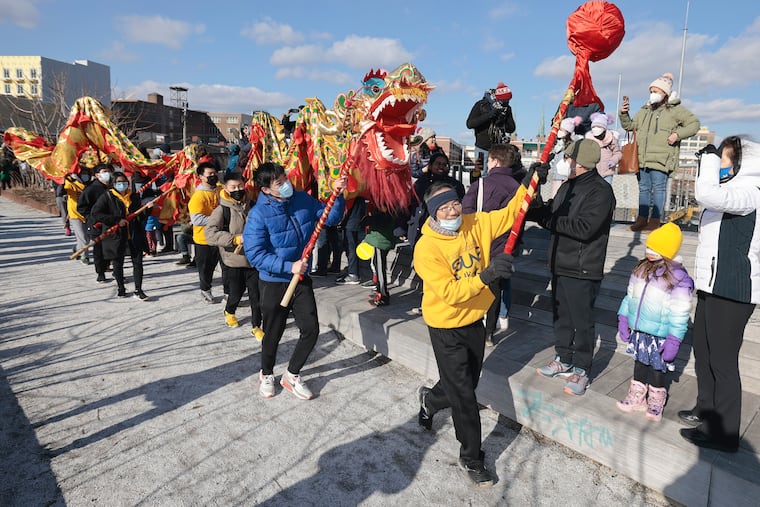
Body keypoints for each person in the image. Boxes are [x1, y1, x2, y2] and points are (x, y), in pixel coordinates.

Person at [413, 162, 543, 487]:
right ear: (433, 213)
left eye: (455, 202)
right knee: (466, 398)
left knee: (465, 385)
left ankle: (430, 400)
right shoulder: (426, 248)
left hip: (476, 320)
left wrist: (530, 181)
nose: (452, 210)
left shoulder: (475, 223)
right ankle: (471, 456)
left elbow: (513, 212)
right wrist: (487, 275)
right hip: (445, 326)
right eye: (443, 207)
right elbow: (450, 293)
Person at [679, 137, 760, 453]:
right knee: (703, 350)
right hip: (712, 285)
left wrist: (709, 160)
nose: (720, 166)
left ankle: (724, 433)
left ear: (742, 164)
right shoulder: (731, 193)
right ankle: (706, 410)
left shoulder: (750, 192)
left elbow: (707, 192)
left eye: (725, 161)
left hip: (734, 288)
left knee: (723, 361)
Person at [243, 162, 346, 400]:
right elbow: (255, 254)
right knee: (273, 333)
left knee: (311, 330)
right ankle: (266, 373)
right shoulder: (259, 214)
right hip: (274, 281)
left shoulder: (301, 199)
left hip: (300, 279)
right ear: (266, 189)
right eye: (279, 183)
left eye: (285, 178)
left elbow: (329, 219)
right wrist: (289, 266)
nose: (286, 184)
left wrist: (337, 195)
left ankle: (292, 374)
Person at [534, 139, 616, 396]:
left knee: (582, 321)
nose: (565, 161)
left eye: (569, 158)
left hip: (582, 266)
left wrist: (550, 220)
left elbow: (585, 228)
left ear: (580, 163)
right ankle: (563, 358)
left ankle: (581, 368)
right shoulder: (567, 187)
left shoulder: (600, 191)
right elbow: (547, 212)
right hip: (560, 263)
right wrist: (534, 191)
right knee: (562, 318)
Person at [616, 223, 693, 421]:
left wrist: (674, 341)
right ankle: (637, 395)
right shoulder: (641, 269)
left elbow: (680, 313)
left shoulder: (679, 278)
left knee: (658, 369)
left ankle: (656, 399)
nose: (649, 252)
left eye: (655, 249)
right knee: (639, 364)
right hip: (640, 331)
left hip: (660, 336)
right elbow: (630, 297)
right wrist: (623, 318)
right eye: (648, 247)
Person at [619, 72, 700, 232]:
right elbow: (630, 126)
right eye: (651, 91)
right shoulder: (645, 110)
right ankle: (642, 220)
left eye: (656, 91)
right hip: (642, 157)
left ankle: (654, 221)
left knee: (659, 188)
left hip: (661, 158)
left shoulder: (675, 109)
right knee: (643, 189)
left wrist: (677, 135)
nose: (652, 94)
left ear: (665, 93)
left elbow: (694, 124)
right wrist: (624, 113)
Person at [462, 143, 524, 346]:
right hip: (505, 248)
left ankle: (473, 326)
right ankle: (489, 332)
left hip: (481, 246)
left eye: (489, 160)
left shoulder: (481, 185)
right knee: (495, 291)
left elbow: (467, 214)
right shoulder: (518, 188)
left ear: (495, 161)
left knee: (477, 286)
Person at [205, 172, 264, 340]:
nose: (238, 189)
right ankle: (229, 311)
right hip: (234, 260)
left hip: (254, 260)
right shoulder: (222, 210)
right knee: (236, 293)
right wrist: (235, 239)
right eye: (233, 187)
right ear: (225, 188)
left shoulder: (253, 205)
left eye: (240, 186)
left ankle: (256, 326)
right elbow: (210, 234)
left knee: (256, 296)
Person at [90, 172, 150, 300]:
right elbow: (96, 213)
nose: (122, 184)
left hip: (134, 234)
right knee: (118, 262)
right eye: (119, 182)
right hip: (116, 235)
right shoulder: (107, 197)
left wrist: (147, 209)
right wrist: (116, 220)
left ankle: (138, 289)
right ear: (113, 184)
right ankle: (121, 287)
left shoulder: (133, 196)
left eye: (124, 182)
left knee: (138, 262)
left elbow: (139, 215)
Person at [408, 152, 465, 248]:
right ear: (430, 165)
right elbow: (409, 205)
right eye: (438, 164)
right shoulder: (420, 183)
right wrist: (402, 227)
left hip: (444, 230)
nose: (441, 167)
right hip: (419, 228)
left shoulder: (455, 185)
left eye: (444, 165)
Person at [188, 160, 221, 303]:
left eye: (215, 173)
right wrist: (219, 219)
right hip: (204, 239)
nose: (213, 176)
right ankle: (205, 289)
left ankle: (228, 291)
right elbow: (197, 219)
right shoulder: (198, 196)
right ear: (201, 176)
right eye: (210, 174)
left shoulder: (221, 190)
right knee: (206, 268)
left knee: (226, 267)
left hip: (221, 237)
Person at [466, 82, 516, 175]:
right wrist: (490, 115)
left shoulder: (507, 109)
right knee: (481, 174)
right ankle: (480, 189)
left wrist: (503, 119)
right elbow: (470, 124)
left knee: (498, 174)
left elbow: (511, 128)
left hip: (498, 149)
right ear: (498, 98)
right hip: (482, 148)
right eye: (505, 100)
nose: (506, 103)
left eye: (508, 100)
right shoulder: (481, 105)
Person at [77, 163, 115, 283]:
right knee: (98, 249)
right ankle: (100, 272)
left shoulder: (113, 187)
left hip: (111, 222)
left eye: (108, 171)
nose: (107, 174)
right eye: (104, 171)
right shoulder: (91, 189)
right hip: (96, 224)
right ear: (97, 175)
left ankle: (115, 270)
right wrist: (91, 218)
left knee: (113, 248)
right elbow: (82, 207)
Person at [63, 166, 94, 264]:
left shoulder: (92, 184)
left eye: (86, 173)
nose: (85, 175)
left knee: (87, 237)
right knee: (83, 237)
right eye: (83, 173)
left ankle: (77, 248)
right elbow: (62, 189)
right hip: (75, 214)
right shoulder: (70, 183)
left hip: (88, 213)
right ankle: (84, 256)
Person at [586, 112, 621, 186]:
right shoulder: (589, 140)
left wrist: (613, 160)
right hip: (592, 173)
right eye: (594, 127)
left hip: (607, 172)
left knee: (605, 193)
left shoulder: (611, 139)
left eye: (598, 127)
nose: (595, 129)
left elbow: (618, 153)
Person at [550, 116, 582, 198]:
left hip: (565, 177)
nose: (559, 132)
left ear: (568, 132)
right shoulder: (557, 145)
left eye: (561, 130)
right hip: (556, 176)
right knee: (555, 197)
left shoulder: (571, 146)